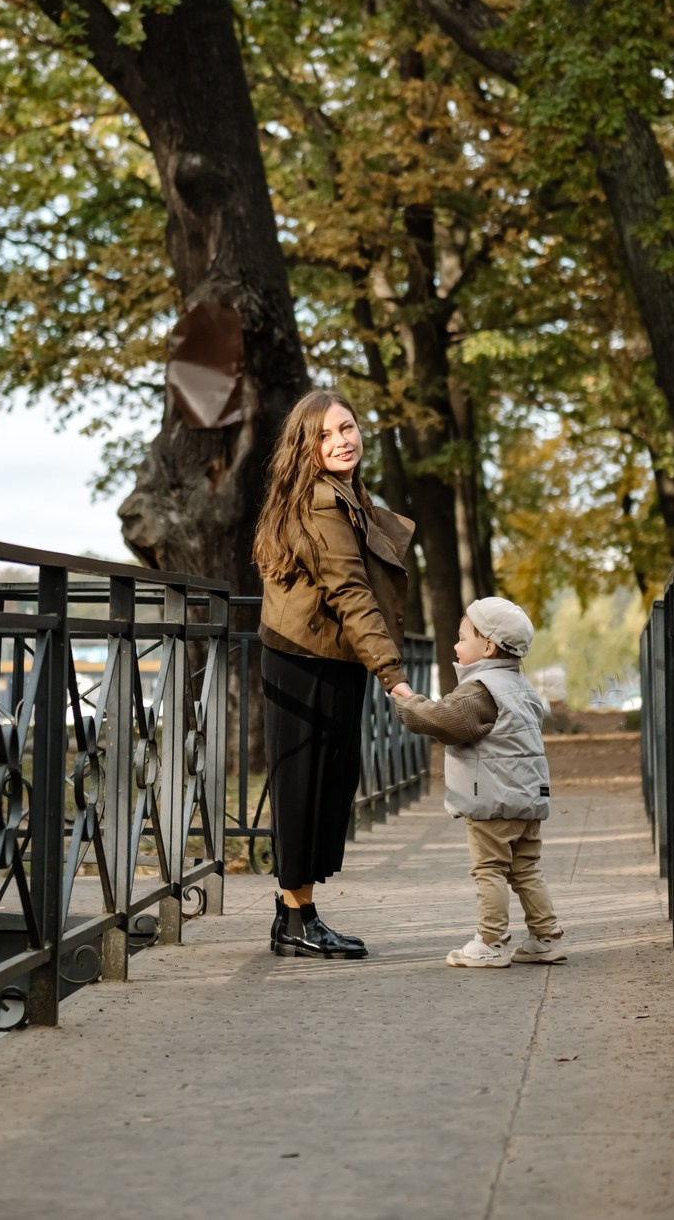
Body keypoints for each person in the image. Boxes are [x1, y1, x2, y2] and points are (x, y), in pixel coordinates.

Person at [253, 389, 414, 960]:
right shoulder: (322, 502)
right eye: (323, 434)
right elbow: (350, 594)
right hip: (305, 661)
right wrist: (394, 675)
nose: (341, 441)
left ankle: (294, 914)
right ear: (305, 446)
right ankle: (298, 921)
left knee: (325, 789)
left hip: (325, 657)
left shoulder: (343, 495)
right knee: (306, 791)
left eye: (346, 428)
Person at [393, 596, 566, 968]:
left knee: (490, 870)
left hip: (493, 801)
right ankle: (546, 936)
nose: (455, 646)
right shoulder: (520, 686)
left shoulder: (480, 689)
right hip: (527, 798)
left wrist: (408, 703)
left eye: (461, 638)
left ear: (487, 646)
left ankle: (491, 940)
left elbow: (445, 721)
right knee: (526, 869)